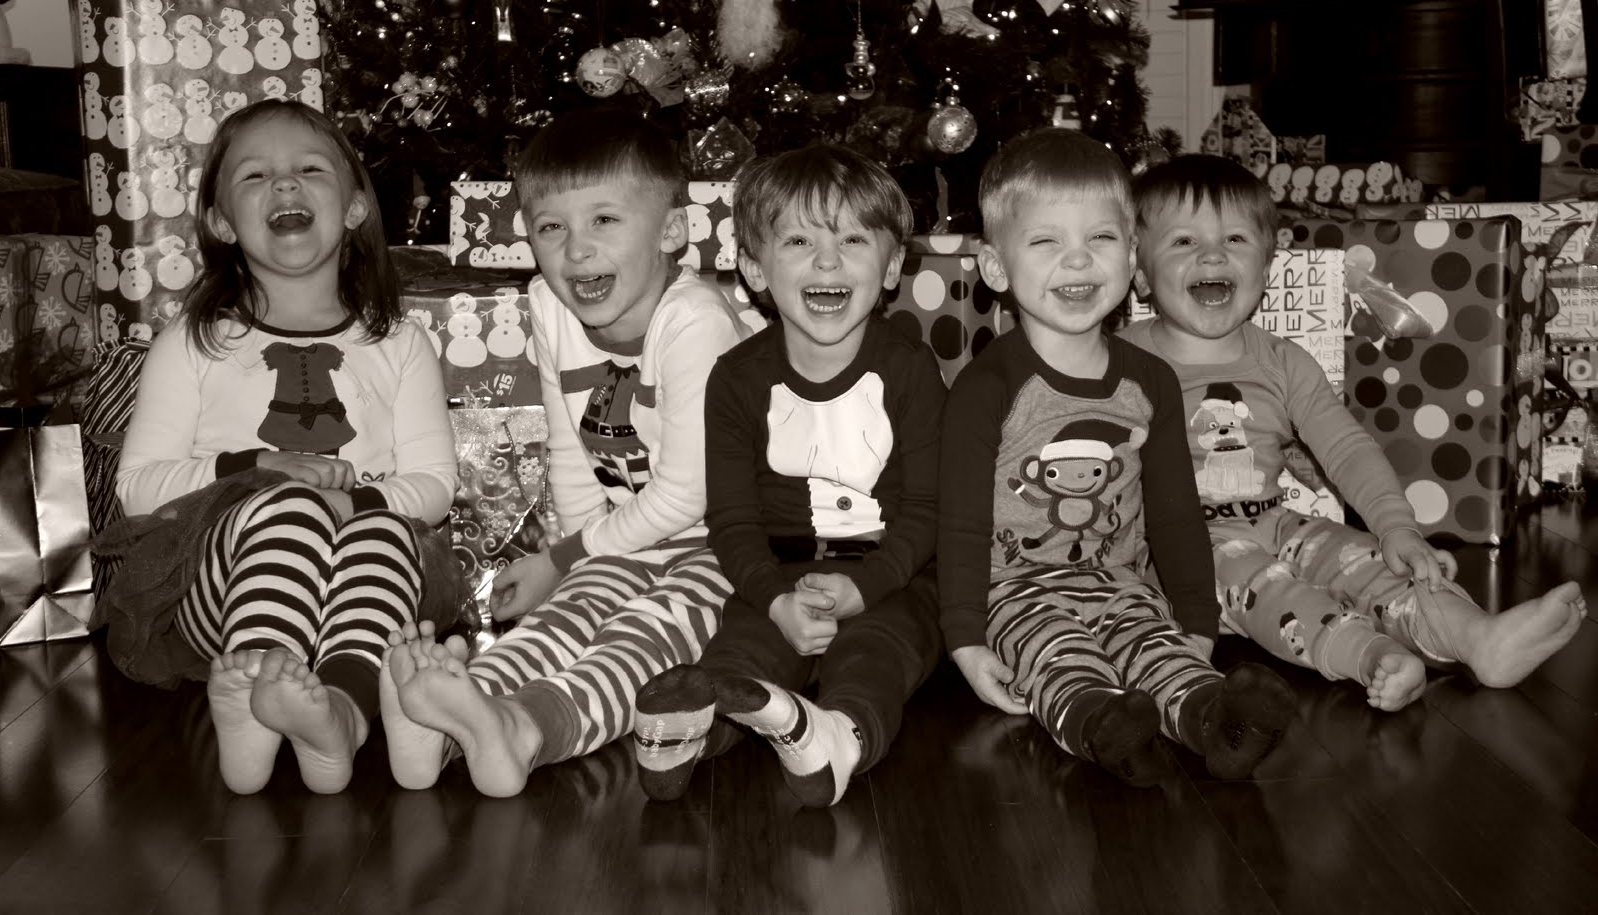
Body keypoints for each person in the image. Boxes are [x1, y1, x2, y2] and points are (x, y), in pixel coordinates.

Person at [1120, 153, 1588, 710]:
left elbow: (1346, 448)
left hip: (1272, 518)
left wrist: (1397, 529)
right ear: (1140, 273)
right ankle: (1369, 656)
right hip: (1180, 551)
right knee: (1269, 587)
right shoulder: (1119, 363)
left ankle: (1475, 636)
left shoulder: (1282, 362)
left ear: (1265, 268)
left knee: (1366, 559)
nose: (1213, 254)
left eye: (1236, 239)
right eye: (1183, 242)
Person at [381, 107, 744, 797]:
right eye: (552, 227)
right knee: (561, 619)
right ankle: (442, 718)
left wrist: (564, 556)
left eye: (604, 220)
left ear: (671, 231)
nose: (576, 251)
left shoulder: (694, 322)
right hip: (626, 537)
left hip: (725, 546)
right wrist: (578, 564)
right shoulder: (550, 306)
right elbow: (571, 449)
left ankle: (525, 729)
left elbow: (686, 496)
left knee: (641, 640)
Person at [111, 99, 459, 795]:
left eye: (309, 169)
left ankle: (343, 715)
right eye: (255, 176)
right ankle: (256, 681)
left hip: (375, 586)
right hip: (225, 591)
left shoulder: (398, 342)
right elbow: (138, 487)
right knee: (289, 508)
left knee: (383, 530)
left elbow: (434, 483)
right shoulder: (193, 343)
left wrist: (354, 503)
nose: (285, 184)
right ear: (221, 222)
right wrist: (255, 471)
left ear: (355, 207)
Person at [939, 128, 1298, 787]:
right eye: (1047, 242)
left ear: (1131, 255)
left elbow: (1175, 513)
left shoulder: (1150, 380)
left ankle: (1215, 720)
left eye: (1100, 238)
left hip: (1119, 582)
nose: (1078, 260)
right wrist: (964, 639)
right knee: (1058, 653)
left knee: (1157, 647)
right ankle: (1100, 723)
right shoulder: (986, 387)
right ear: (995, 267)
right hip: (1012, 592)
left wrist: (1196, 619)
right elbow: (958, 525)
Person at [629, 144, 946, 808]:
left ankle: (838, 735)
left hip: (891, 576)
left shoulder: (910, 369)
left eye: (853, 240)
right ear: (754, 268)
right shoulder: (737, 377)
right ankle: (694, 730)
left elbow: (927, 508)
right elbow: (732, 518)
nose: (827, 261)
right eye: (799, 241)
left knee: (877, 654)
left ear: (891, 266)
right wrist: (776, 600)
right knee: (742, 648)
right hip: (778, 576)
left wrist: (865, 588)